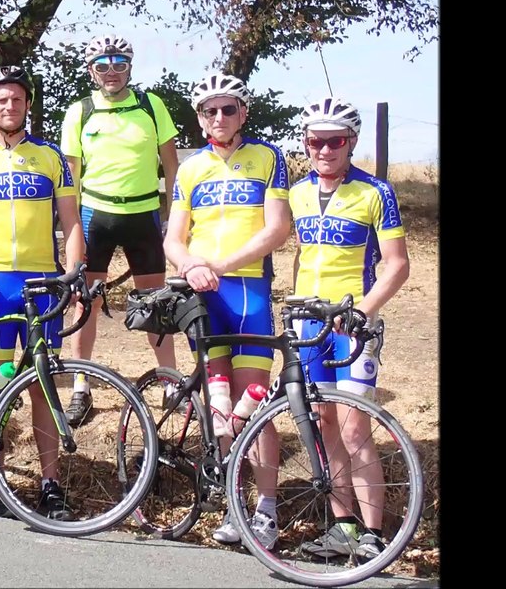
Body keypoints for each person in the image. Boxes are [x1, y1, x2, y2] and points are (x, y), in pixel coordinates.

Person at [0, 65, 87, 519]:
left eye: (18, 100)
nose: (10, 107)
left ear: (28, 106)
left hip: (41, 283)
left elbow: (71, 223)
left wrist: (73, 275)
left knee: (42, 389)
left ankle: (50, 484)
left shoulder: (50, 158)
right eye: (1, 101)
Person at [162, 73, 291, 549]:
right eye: (210, 111)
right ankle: (233, 504)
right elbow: (173, 237)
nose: (220, 117)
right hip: (204, 296)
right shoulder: (192, 169)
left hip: (248, 292)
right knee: (219, 409)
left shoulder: (267, 157)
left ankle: (267, 508)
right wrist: (191, 263)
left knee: (253, 404)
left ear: (244, 113)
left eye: (228, 109)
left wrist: (217, 264)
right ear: (199, 120)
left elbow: (276, 229)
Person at [290, 98, 410, 561]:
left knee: (355, 425)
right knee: (323, 425)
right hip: (308, 320)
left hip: (353, 323)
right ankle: (343, 526)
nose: (324, 149)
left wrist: (363, 309)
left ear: (351, 142)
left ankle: (374, 533)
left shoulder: (375, 192)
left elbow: (397, 266)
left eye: (334, 140)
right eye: (315, 141)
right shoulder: (297, 192)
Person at [58, 34, 180, 424]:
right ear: (91, 70)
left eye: (119, 64)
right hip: (96, 215)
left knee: (156, 303)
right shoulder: (80, 110)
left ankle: (170, 383)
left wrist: (175, 215)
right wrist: (70, 228)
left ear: (130, 66)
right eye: (102, 65)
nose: (111, 72)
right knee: (85, 301)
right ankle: (81, 385)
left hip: (143, 213)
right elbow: (70, 177)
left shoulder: (150, 105)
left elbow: (172, 166)